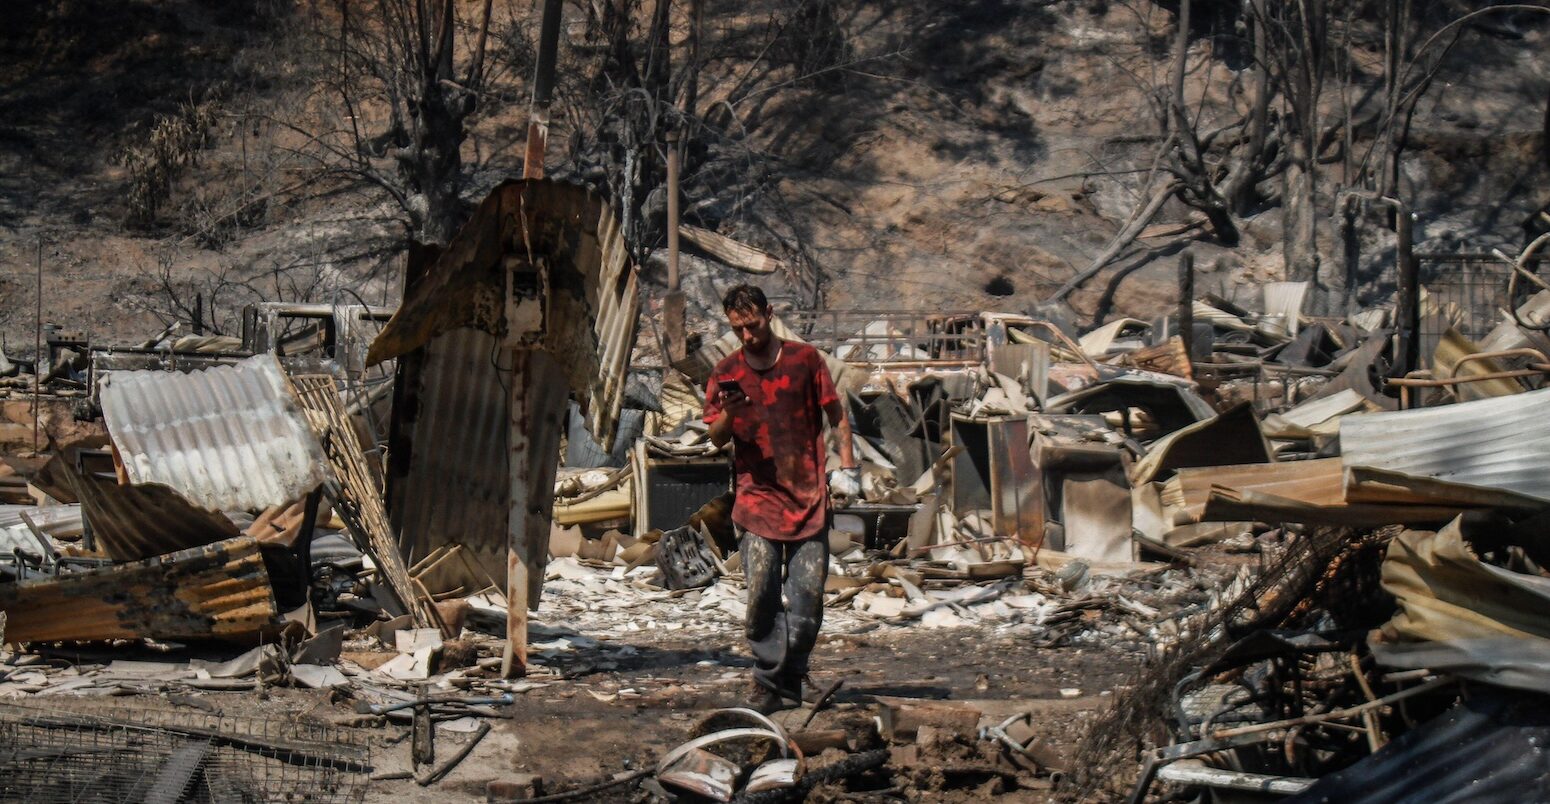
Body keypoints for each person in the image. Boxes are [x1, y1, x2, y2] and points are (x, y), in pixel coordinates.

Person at [704, 284, 858, 713]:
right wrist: (731, 410)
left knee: (808, 593)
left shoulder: (804, 360)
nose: (747, 336)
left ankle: (795, 676)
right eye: (738, 329)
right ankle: (767, 680)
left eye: (752, 325)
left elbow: (836, 411)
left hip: (808, 495)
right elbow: (716, 438)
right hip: (756, 499)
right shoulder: (724, 371)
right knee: (761, 592)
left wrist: (846, 465)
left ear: (769, 314)